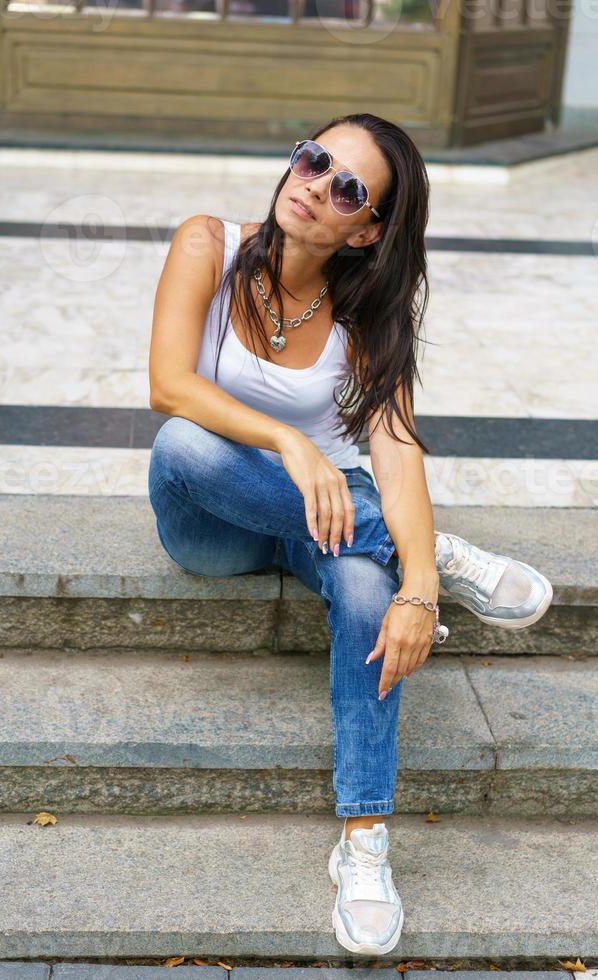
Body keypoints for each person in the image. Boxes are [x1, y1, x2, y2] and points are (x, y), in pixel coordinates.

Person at [147, 112, 553, 956]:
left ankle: (363, 842)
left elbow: (396, 451)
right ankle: (425, 554)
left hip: (325, 522)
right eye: (313, 158)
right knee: (182, 446)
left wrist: (410, 593)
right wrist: (289, 441)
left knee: (373, 591)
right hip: (217, 517)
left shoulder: (367, 313)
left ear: (366, 230)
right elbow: (169, 386)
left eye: (347, 188)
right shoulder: (208, 246)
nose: (314, 183)